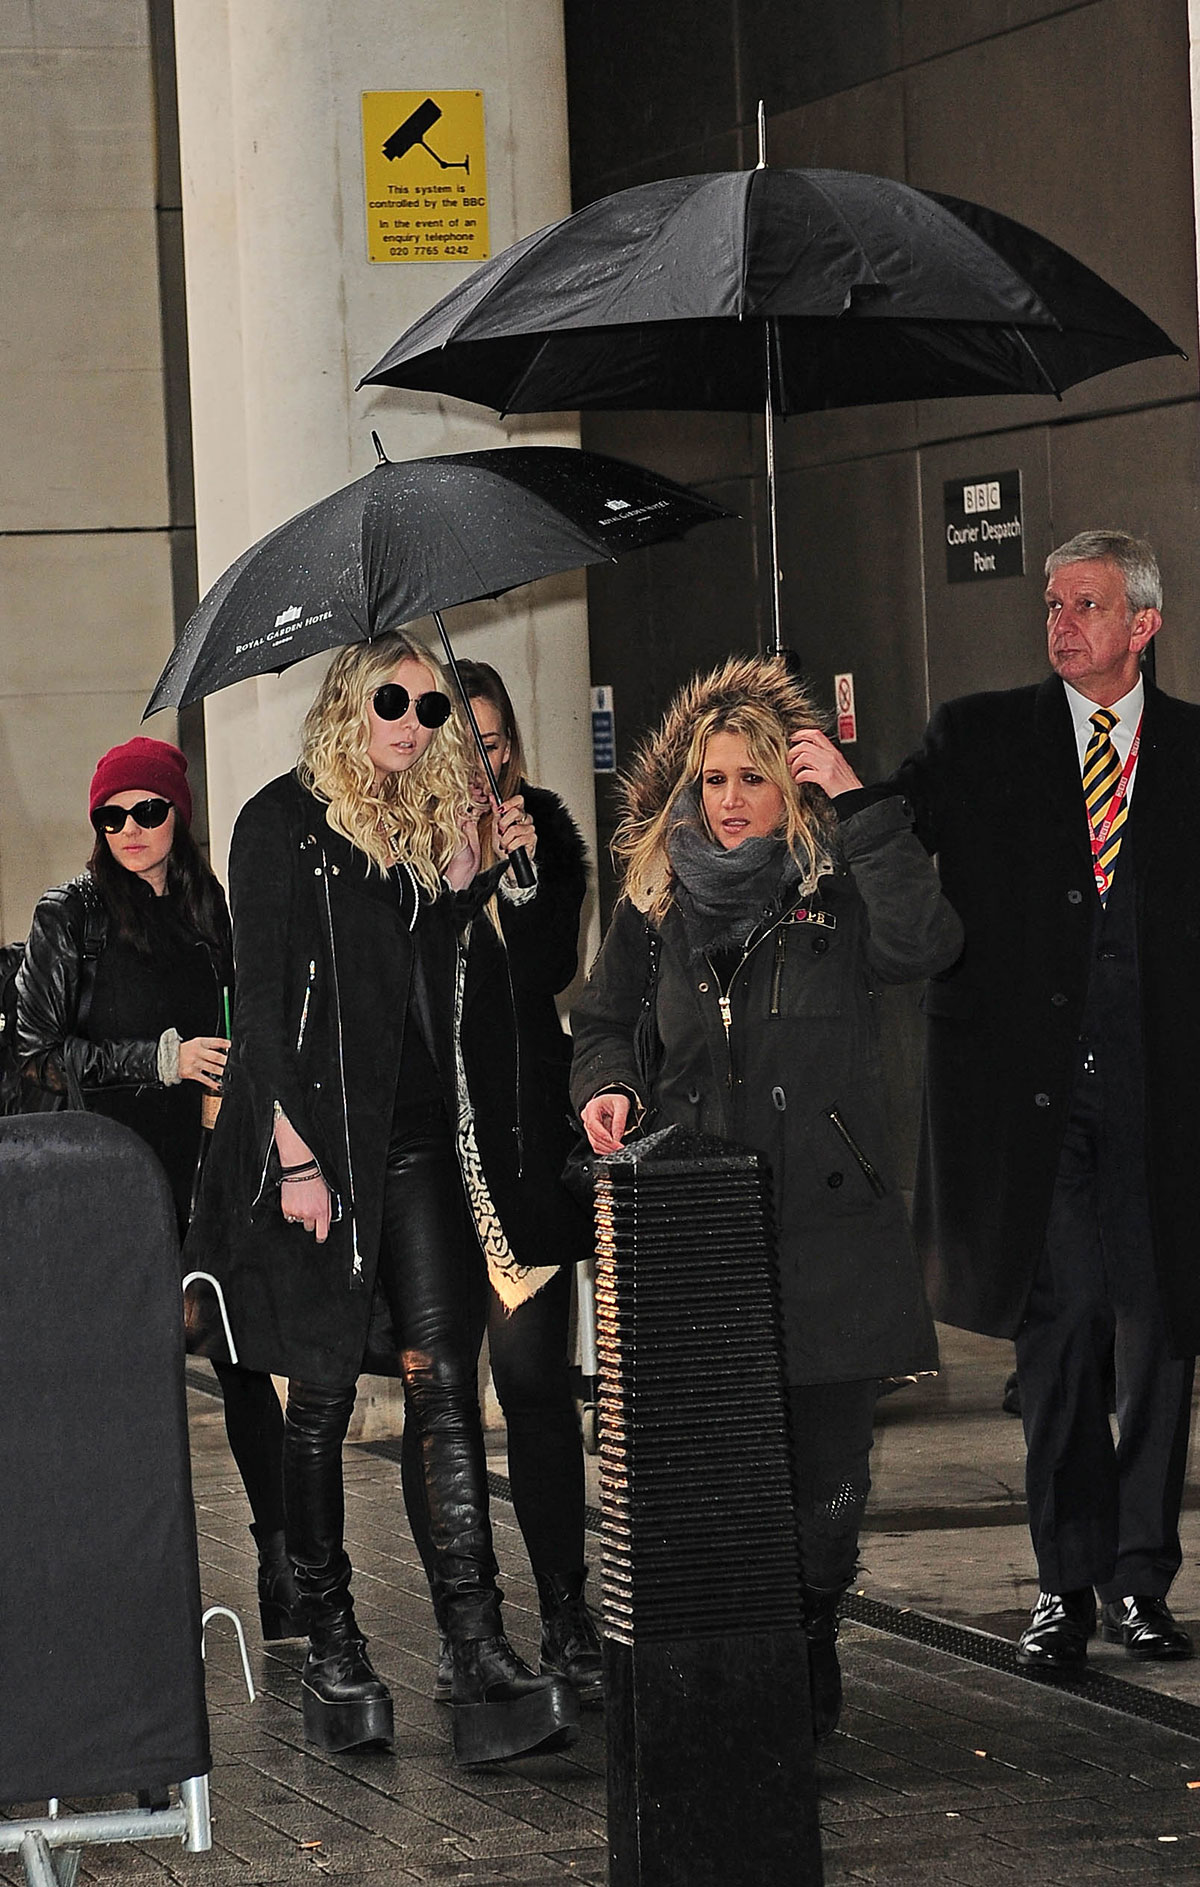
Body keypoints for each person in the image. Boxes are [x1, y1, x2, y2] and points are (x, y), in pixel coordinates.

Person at [185, 632, 579, 1764]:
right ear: (347, 704)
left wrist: (464, 879)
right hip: (315, 1149)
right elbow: (259, 1011)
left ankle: (475, 1649)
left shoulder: (413, 828)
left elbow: (417, 969)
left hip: (408, 1145)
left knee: (441, 1376)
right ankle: (334, 1638)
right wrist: (295, 1158)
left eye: (428, 708)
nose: (411, 723)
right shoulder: (279, 824)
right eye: (391, 702)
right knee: (315, 1398)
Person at [569, 654, 962, 1735]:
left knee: (829, 1480)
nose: (729, 801)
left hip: (829, 1230)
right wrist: (607, 1091)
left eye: (751, 779)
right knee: (720, 1468)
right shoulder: (655, 907)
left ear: (789, 791)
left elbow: (930, 944)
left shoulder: (835, 889)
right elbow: (603, 1028)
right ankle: (744, 1662)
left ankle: (809, 1628)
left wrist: (862, 804)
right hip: (703, 1232)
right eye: (712, 781)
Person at [890, 530, 1200, 1669]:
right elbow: (892, 815)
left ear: (1144, 627)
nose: (1062, 622)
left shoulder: (1193, 753)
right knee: (1061, 1333)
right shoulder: (981, 739)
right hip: (1036, 1104)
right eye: (1053, 604)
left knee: (1162, 1333)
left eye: (1087, 605)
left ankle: (1140, 1581)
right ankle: (1065, 1588)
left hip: (1166, 1102)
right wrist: (824, 777)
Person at [15, 736, 298, 1639]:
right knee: (122, 1387)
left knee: (247, 1368)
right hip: (104, 1184)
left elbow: (250, 1020)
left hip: (205, 1172)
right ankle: (122, 1588)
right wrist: (163, 1060)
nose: (130, 829)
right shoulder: (70, 917)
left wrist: (231, 1086)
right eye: (112, 814)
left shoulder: (210, 910)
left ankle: (287, 1572)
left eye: (148, 809)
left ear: (179, 812)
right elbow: (33, 1056)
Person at [399, 658, 601, 1706]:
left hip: (522, 1159)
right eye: (456, 739)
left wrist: (518, 877)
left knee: (532, 1389)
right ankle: (462, 1627)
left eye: (492, 740)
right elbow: (403, 989)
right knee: (442, 1400)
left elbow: (549, 973)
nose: (477, 761)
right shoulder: (393, 849)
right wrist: (454, 879)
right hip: (429, 1166)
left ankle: (569, 1612)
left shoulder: (547, 832)